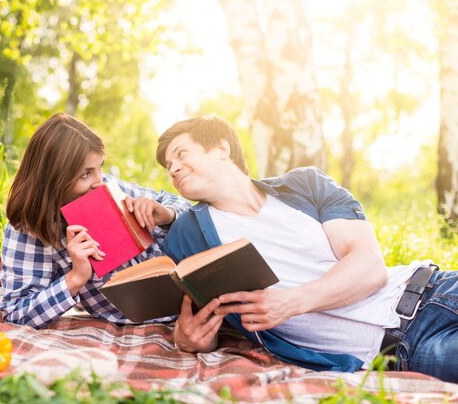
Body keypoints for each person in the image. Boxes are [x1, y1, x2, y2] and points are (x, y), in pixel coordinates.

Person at [155, 114, 458, 382]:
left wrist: (291, 302)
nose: (174, 168)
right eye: (169, 166)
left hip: (434, 291)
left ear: (222, 148)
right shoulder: (187, 235)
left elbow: (369, 267)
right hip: (403, 351)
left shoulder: (306, 185)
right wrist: (193, 341)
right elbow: (205, 320)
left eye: (181, 154)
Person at [0, 113, 190, 329]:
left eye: (99, 167)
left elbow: (181, 204)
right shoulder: (28, 229)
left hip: (187, 283)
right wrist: (75, 277)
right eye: (85, 175)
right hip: (149, 317)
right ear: (54, 180)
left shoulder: (103, 185)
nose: (99, 181)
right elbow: (15, 313)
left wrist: (166, 214)